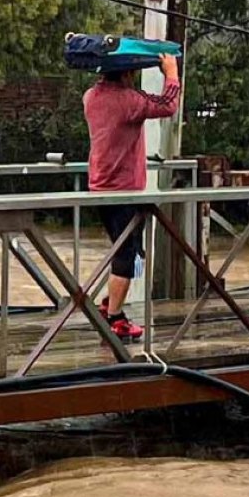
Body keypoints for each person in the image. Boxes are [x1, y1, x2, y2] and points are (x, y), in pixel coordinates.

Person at [84, 53, 180, 341]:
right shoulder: (128, 101)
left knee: (120, 248)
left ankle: (110, 304)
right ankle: (115, 317)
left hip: (99, 186)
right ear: (127, 73)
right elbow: (168, 106)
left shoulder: (91, 96)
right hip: (123, 189)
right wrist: (171, 73)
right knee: (126, 255)